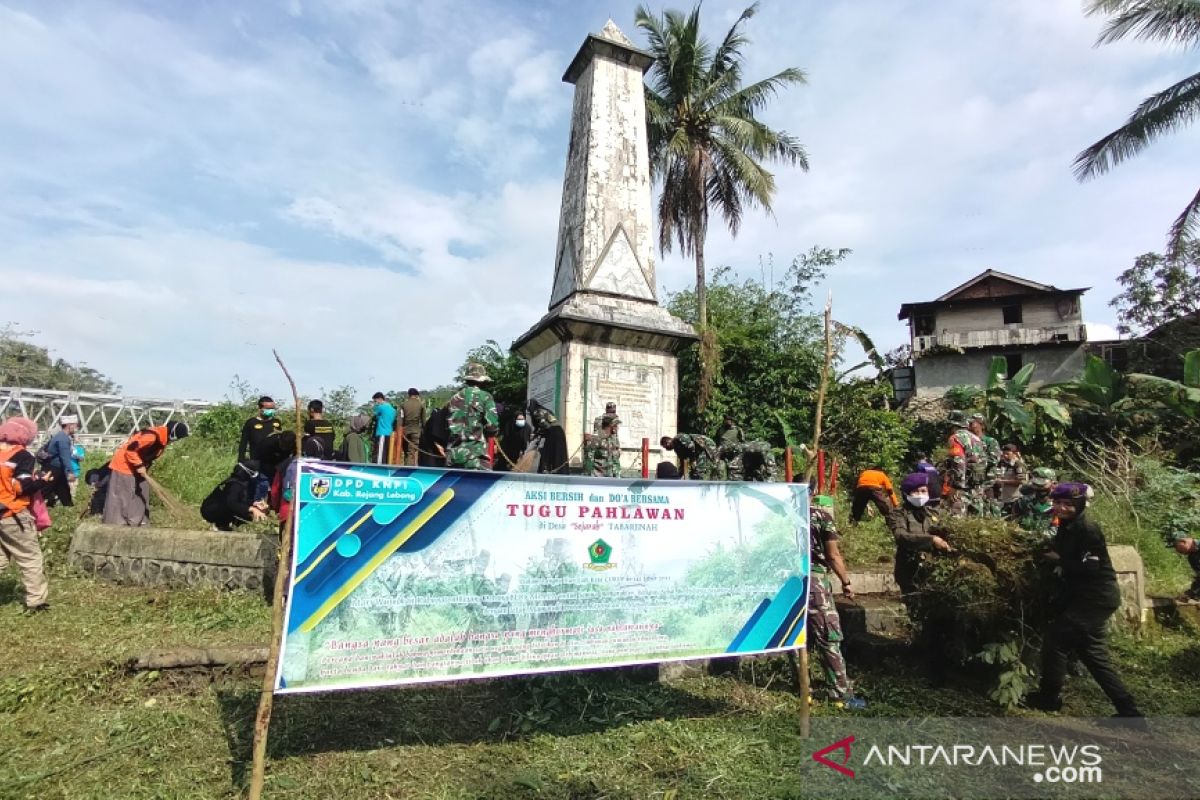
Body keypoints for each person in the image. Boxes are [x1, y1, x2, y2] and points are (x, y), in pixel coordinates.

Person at [1024, 483, 1143, 718]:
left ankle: (1049, 698)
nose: (1061, 508)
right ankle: (1128, 711)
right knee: (1093, 655)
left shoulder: (1087, 529)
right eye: (1057, 503)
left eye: (1068, 504)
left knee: (1056, 641)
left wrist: (1059, 559)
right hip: (1088, 598)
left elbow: (1090, 569)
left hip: (1094, 599)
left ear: (1078, 505)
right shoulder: (1067, 526)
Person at [888, 472, 955, 682]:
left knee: (936, 619)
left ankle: (934, 663)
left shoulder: (931, 512)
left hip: (931, 572)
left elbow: (945, 531)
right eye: (916, 491)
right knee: (919, 615)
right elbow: (902, 537)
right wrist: (931, 540)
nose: (921, 494)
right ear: (907, 493)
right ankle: (922, 662)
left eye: (924, 491)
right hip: (910, 571)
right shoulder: (898, 514)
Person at [809, 494, 866, 709]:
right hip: (815, 583)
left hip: (788, 583)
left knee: (798, 635)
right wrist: (846, 581)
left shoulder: (781, 518)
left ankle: (804, 687)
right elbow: (833, 555)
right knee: (828, 635)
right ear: (813, 493)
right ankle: (841, 693)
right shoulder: (820, 516)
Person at [0, 416, 53, 611]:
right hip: (12, 514)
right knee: (30, 558)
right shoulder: (22, 456)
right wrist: (42, 481)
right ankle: (36, 602)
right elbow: (22, 487)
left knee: (2, 556)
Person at [102, 421, 189, 526]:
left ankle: (138, 521)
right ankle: (116, 523)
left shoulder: (162, 440)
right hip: (124, 466)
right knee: (122, 495)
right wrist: (139, 465)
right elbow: (130, 450)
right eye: (178, 438)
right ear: (173, 434)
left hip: (138, 468)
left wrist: (144, 467)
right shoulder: (151, 437)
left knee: (142, 491)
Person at [446, 363, 499, 470]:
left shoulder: (454, 398)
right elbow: (492, 426)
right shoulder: (485, 397)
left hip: (453, 455)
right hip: (476, 455)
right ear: (482, 380)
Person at [200, 460, 268, 531]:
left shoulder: (237, 482)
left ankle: (223, 525)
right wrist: (252, 509)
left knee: (247, 510)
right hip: (211, 511)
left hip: (213, 508)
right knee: (247, 513)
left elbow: (238, 500)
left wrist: (254, 504)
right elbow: (232, 503)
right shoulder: (235, 485)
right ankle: (221, 525)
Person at [943, 410, 987, 517]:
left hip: (962, 490)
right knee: (976, 524)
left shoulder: (955, 438)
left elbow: (959, 462)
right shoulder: (977, 439)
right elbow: (984, 461)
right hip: (977, 487)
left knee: (956, 523)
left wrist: (955, 487)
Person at [239, 397, 282, 501]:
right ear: (260, 408)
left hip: (274, 461)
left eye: (273, 408)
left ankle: (272, 506)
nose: (271, 410)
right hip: (257, 461)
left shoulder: (276, 422)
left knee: (275, 486)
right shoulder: (251, 423)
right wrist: (241, 459)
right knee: (259, 484)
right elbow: (243, 442)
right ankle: (256, 505)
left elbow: (281, 441)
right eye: (268, 408)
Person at [41, 414, 79, 507]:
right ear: (69, 425)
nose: (77, 428)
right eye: (76, 425)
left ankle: (69, 508)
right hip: (54, 469)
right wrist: (70, 472)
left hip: (57, 468)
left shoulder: (60, 436)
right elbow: (65, 457)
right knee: (44, 490)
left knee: (64, 490)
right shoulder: (63, 439)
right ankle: (31, 507)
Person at [1010, 467, 1057, 535]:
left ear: (1053, 483)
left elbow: (1057, 530)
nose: (1038, 487)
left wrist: (1031, 534)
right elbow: (1014, 523)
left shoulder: (1059, 504)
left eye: (1042, 484)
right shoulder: (1023, 502)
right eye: (1035, 484)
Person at [529, 401, 569, 475]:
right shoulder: (545, 410)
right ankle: (558, 470)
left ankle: (548, 468)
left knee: (549, 451)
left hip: (553, 433)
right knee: (558, 452)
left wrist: (537, 435)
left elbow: (545, 425)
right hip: (558, 431)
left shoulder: (537, 412)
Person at [992, 443, 1028, 513]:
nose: (1005, 456)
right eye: (1004, 454)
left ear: (1014, 454)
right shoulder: (1002, 463)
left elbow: (1020, 481)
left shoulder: (1018, 465)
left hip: (1014, 499)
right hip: (1003, 498)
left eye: (1008, 454)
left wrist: (1003, 481)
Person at [1170, 533, 1200, 603]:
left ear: (1183, 541)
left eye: (1176, 546)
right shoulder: (1192, 558)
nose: (1177, 550)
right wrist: (1193, 593)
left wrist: (1193, 592)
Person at [401, 388, 426, 467]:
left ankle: (406, 467)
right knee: (412, 452)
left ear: (409, 395)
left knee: (406, 452)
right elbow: (423, 421)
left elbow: (400, 419)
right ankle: (409, 470)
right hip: (416, 431)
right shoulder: (421, 404)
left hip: (405, 431)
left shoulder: (403, 404)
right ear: (417, 395)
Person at [371, 392, 397, 464]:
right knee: (386, 453)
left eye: (375, 401)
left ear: (379, 399)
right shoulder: (392, 409)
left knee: (380, 454)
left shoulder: (380, 407)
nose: (375, 403)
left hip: (381, 432)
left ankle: (378, 469)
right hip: (390, 433)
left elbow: (373, 415)